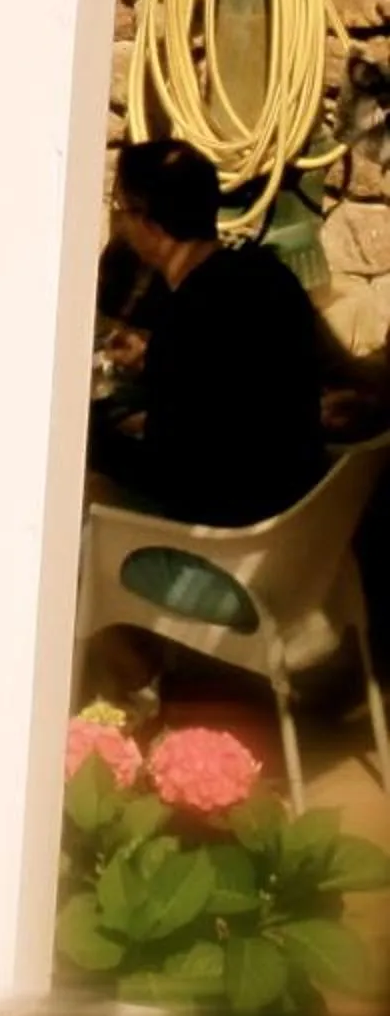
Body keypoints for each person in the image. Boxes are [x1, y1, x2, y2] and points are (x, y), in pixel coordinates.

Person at [86, 137, 330, 640]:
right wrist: (154, 366)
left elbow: (173, 475)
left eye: (123, 209)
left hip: (234, 565)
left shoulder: (190, 316)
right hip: (304, 545)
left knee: (67, 495)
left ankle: (133, 682)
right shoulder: (268, 276)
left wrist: (83, 434)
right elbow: (236, 386)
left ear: (150, 225)